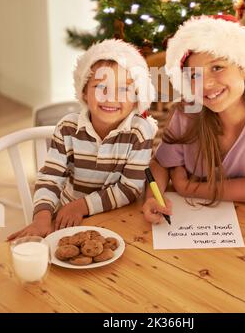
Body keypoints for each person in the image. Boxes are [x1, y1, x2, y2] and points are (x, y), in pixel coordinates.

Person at [143, 15, 245, 224]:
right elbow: (161, 163)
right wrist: (154, 198)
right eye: (193, 74)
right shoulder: (189, 111)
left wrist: (189, 188)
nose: (205, 84)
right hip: (203, 221)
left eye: (217, 68)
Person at [9, 39, 157, 239]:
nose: (110, 97)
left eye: (124, 89)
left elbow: (129, 188)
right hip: (68, 217)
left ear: (137, 99)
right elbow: (50, 178)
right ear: (84, 92)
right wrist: (42, 217)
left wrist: (81, 206)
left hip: (119, 216)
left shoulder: (140, 132)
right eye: (100, 86)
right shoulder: (68, 128)